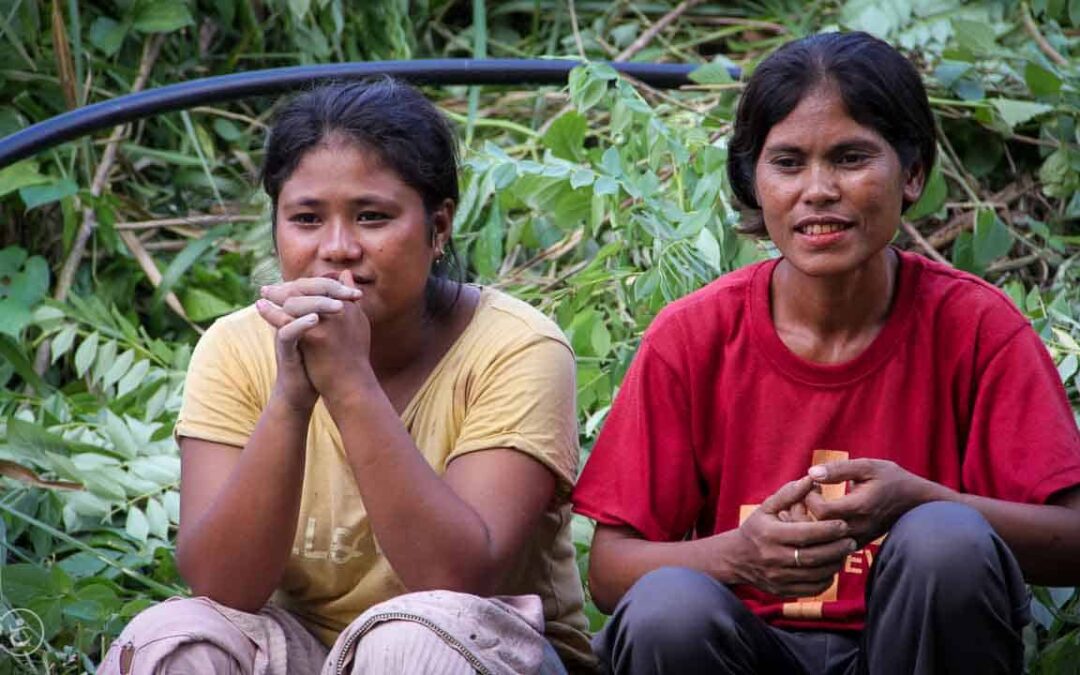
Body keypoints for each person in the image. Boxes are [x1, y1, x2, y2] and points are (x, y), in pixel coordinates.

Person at [571, 31, 1080, 675]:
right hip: (745, 649)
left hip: (914, 645)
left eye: (849, 158)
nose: (817, 189)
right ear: (752, 182)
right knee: (669, 608)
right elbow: (611, 569)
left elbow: (1072, 541)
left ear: (913, 173)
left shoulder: (979, 328)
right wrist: (737, 555)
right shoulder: (693, 336)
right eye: (787, 162)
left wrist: (922, 501)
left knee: (944, 541)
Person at [98, 78, 594, 675]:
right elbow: (223, 586)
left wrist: (349, 383)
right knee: (172, 638)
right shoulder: (235, 348)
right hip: (303, 649)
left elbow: (458, 580)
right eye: (306, 218)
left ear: (439, 227)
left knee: (406, 645)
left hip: (484, 646)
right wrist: (291, 398)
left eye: (372, 217)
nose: (337, 249)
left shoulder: (515, 347)